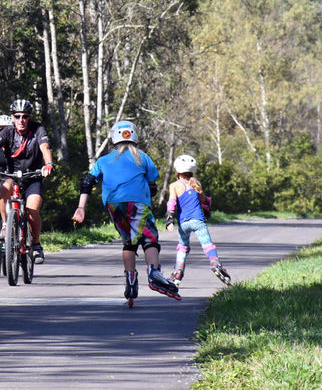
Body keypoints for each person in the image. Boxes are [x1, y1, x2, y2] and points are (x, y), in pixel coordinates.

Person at [72, 120, 180, 301]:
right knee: (149, 238)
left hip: (114, 205)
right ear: (134, 137)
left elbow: (87, 182)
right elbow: (152, 183)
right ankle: (154, 273)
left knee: (129, 241)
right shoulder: (142, 157)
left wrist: (81, 207)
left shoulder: (103, 160)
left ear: (114, 139)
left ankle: (130, 278)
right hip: (137, 203)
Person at [0, 99, 54, 264]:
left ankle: (36, 244)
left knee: (32, 211)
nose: (21, 120)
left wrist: (48, 164)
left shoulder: (38, 129)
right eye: (17, 116)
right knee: (4, 188)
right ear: (12, 117)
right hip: (12, 175)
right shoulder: (8, 131)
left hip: (33, 177)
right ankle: (6, 225)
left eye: (25, 116)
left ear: (30, 117)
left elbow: (45, 147)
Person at [164, 154, 231, 286]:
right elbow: (205, 201)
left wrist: (169, 219)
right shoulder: (196, 183)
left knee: (183, 247)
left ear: (177, 171)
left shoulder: (174, 185)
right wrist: (206, 212)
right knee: (208, 245)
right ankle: (215, 263)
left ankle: (178, 271)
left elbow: (171, 202)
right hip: (198, 221)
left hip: (183, 223)